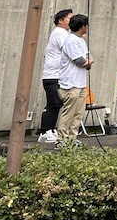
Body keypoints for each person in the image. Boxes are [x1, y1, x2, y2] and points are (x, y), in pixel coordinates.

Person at [56, 14, 92, 147]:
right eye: (86, 25)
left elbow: (88, 58)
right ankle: (61, 139)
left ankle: (72, 138)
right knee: (69, 113)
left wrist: (88, 62)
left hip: (80, 83)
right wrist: (88, 62)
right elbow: (80, 61)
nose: (87, 27)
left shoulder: (81, 40)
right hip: (70, 84)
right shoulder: (71, 41)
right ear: (82, 26)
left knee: (78, 113)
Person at [38, 8, 72, 143]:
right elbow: (69, 51)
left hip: (57, 75)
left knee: (57, 104)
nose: (72, 21)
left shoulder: (63, 33)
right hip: (53, 75)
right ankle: (44, 132)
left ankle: (51, 129)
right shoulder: (60, 33)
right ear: (60, 21)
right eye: (69, 19)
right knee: (53, 104)